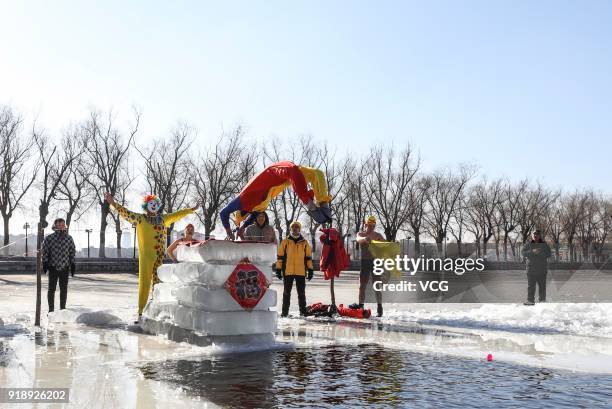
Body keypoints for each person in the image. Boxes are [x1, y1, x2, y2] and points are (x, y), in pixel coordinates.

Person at [105, 192, 199, 320]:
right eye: (151, 203)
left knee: (158, 283)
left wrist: (190, 210)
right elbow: (125, 212)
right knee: (144, 283)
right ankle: (140, 311)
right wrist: (113, 203)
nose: (153, 206)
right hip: (146, 257)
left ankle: (156, 309)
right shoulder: (140, 218)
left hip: (159, 256)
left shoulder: (162, 219)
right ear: (146, 205)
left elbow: (177, 215)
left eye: (155, 204)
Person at [220, 161, 332, 240]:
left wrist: (229, 232)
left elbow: (223, 212)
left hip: (274, 172)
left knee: (310, 173)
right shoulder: (259, 208)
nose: (254, 211)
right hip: (281, 183)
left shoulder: (243, 199)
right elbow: (252, 217)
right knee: (317, 173)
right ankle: (317, 205)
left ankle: (321, 203)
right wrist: (242, 228)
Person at [276, 221, 313, 317]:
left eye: (297, 227)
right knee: (286, 293)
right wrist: (278, 269)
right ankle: (284, 313)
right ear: (291, 229)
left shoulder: (304, 243)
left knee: (301, 293)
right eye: (293, 227)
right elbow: (280, 257)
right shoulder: (285, 242)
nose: (295, 228)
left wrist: (310, 270)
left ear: (299, 229)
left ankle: (303, 312)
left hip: (301, 271)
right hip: (288, 271)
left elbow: (308, 257)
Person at [42, 218, 76, 312]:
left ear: (65, 226)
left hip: (65, 267)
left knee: (64, 289)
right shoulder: (49, 238)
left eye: (63, 224)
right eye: (59, 224)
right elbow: (45, 251)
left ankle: (62, 309)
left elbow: (72, 252)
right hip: (53, 267)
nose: (61, 226)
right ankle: (51, 310)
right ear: (55, 225)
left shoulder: (69, 238)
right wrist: (44, 262)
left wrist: (72, 264)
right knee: (51, 289)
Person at [354, 216, 385, 317]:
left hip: (375, 262)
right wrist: (365, 239)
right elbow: (358, 239)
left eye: (373, 225)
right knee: (362, 286)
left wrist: (393, 245)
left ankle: (379, 308)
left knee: (377, 286)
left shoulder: (378, 235)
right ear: (366, 224)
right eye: (370, 225)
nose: (372, 227)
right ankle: (360, 307)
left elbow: (386, 245)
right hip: (365, 262)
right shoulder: (361, 234)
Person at [522, 229, 551, 305]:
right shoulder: (528, 244)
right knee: (531, 286)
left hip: (542, 270)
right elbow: (523, 253)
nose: (535, 236)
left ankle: (542, 300)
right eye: (534, 234)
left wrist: (539, 253)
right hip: (531, 269)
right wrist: (532, 252)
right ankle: (530, 300)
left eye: (537, 234)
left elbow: (549, 254)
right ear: (532, 235)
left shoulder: (544, 244)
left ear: (539, 235)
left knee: (542, 286)